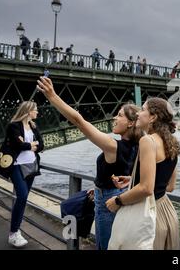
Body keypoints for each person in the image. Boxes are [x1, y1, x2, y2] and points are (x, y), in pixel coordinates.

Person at [36, 76, 142, 250]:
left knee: (105, 246)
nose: (114, 118)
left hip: (108, 201)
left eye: (120, 115)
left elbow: (79, 121)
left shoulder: (113, 146)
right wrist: (102, 184)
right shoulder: (139, 146)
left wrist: (52, 96)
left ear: (131, 123)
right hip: (121, 196)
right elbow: (130, 173)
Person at [106, 97, 180, 250]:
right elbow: (170, 186)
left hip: (149, 218)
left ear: (153, 117)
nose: (138, 114)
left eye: (143, 110)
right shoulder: (171, 141)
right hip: (166, 214)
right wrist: (133, 179)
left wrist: (118, 201)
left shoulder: (148, 141)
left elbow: (146, 188)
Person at [4, 101, 44, 247]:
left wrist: (29, 145)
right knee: (22, 195)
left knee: (24, 197)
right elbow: (16, 145)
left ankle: (16, 230)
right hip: (16, 166)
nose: (37, 112)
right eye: (35, 110)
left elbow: (42, 144)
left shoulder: (33, 126)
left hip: (31, 166)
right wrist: (31, 145)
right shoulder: (13, 126)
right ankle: (13, 233)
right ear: (28, 111)